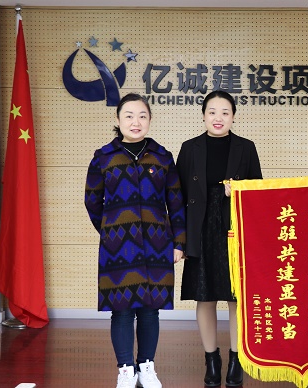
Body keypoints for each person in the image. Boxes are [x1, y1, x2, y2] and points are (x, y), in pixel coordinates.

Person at [85, 93, 186, 388]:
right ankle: (126, 370)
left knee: (150, 308)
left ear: (150, 120)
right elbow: (93, 201)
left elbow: (176, 203)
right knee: (122, 308)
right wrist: (110, 231)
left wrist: (178, 242)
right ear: (118, 120)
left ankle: (147, 366)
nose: (136, 121)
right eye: (128, 115)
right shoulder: (103, 157)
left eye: (142, 115)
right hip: (118, 248)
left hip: (157, 244)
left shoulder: (162, 157)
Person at [176, 90, 263, 387]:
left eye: (225, 112)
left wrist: (239, 191)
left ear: (233, 116)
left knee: (235, 297)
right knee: (205, 295)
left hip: (234, 230)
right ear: (203, 115)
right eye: (212, 111)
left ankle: (236, 360)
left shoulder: (246, 147)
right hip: (199, 228)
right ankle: (211, 360)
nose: (218, 117)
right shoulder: (189, 149)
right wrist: (181, 240)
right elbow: (177, 198)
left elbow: (259, 194)